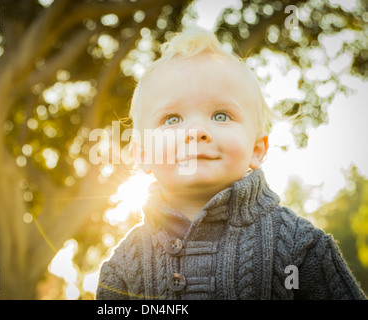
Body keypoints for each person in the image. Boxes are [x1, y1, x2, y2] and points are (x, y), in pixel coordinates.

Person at [95, 27, 366, 300]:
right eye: (173, 119)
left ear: (257, 149)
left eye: (221, 116)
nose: (197, 131)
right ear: (142, 154)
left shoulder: (301, 247)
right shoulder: (124, 265)